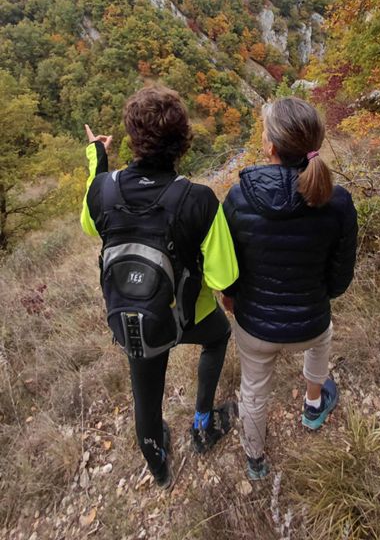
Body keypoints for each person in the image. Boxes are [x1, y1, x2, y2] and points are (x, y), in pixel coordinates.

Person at [80, 85, 239, 488]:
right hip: (188, 318)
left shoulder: (103, 190)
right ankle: (203, 422)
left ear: (133, 138)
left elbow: (88, 223)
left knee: (145, 398)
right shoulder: (199, 200)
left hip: (136, 320)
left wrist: (97, 158)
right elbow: (223, 278)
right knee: (219, 336)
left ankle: (159, 464)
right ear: (183, 140)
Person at [223, 97, 357, 480]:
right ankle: (313, 406)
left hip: (255, 326)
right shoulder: (338, 202)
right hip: (311, 322)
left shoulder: (237, 198)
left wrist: (233, 300)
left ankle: (255, 459)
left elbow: (228, 270)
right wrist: (314, 300)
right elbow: (340, 280)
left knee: (253, 389)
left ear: (270, 146)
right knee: (321, 339)